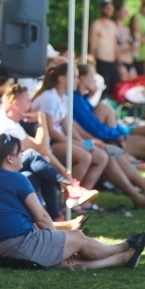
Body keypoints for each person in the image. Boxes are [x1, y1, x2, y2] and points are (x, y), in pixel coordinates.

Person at [0, 135, 145, 270]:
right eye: (20, 153)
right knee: (77, 238)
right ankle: (122, 248)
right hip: (16, 247)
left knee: (67, 250)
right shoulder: (17, 179)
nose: (22, 156)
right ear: (10, 158)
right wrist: (56, 239)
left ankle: (121, 258)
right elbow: (42, 217)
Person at [0, 85, 99, 216]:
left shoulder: (5, 120)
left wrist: (65, 173)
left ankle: (57, 214)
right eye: (28, 101)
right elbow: (43, 148)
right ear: (16, 104)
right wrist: (41, 118)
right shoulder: (5, 124)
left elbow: (46, 150)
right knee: (34, 156)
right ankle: (69, 191)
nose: (32, 106)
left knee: (38, 168)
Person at [32, 62, 108, 192]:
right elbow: (50, 131)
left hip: (59, 141)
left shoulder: (64, 97)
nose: (78, 81)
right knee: (85, 157)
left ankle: (82, 197)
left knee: (101, 157)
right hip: (47, 145)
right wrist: (80, 143)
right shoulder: (49, 97)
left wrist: (84, 142)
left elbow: (67, 126)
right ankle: (69, 195)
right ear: (62, 78)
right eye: (74, 77)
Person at [89, 0, 121, 98]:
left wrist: (119, 64)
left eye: (111, 8)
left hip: (112, 62)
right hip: (101, 62)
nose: (109, 10)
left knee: (116, 88)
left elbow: (115, 45)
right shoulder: (96, 25)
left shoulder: (113, 25)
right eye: (106, 7)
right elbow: (93, 46)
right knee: (104, 91)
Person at [114, 2, 137, 80]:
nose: (126, 14)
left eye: (127, 12)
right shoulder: (114, 28)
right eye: (124, 12)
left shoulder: (127, 29)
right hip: (121, 62)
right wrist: (120, 64)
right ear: (117, 12)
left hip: (130, 61)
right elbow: (114, 48)